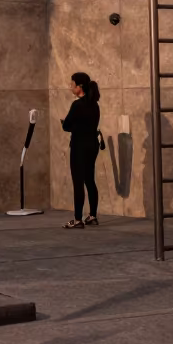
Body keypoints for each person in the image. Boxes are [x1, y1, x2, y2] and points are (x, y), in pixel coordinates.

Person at [61, 72, 101, 229]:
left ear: (80, 87)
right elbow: (90, 125)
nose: (71, 87)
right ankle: (92, 216)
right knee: (90, 180)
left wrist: (71, 125)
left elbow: (66, 126)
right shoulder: (95, 105)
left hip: (79, 146)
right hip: (92, 145)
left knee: (78, 182)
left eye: (72, 85)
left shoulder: (77, 105)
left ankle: (77, 219)